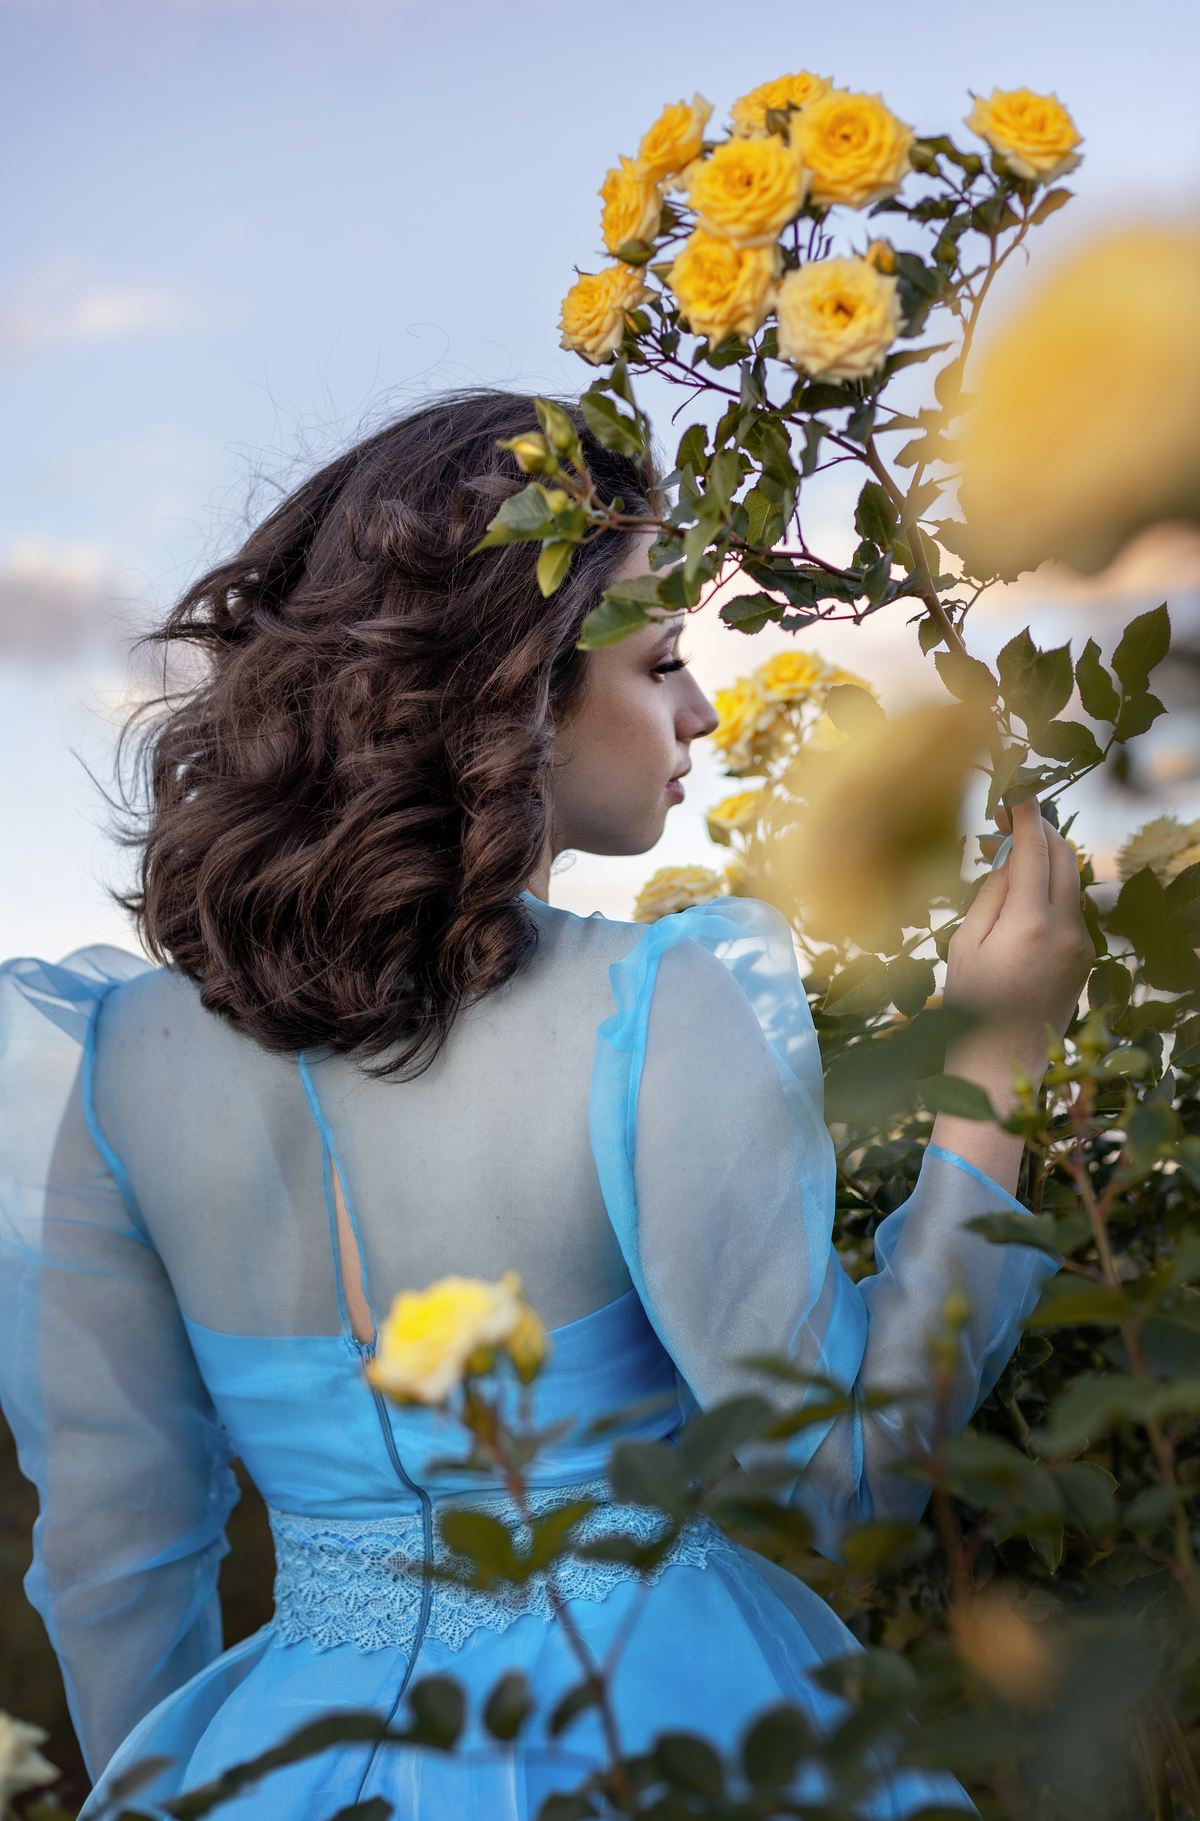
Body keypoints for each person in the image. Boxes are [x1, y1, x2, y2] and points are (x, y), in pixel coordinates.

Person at [0, 390, 1092, 1820]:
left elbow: (112, 1548)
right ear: (510, 686)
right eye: (661, 660)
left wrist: (206, 1770)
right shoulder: (659, 1003)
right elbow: (853, 1464)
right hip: (665, 1722)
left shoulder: (124, 1057)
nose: (699, 708)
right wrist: (992, 1060)